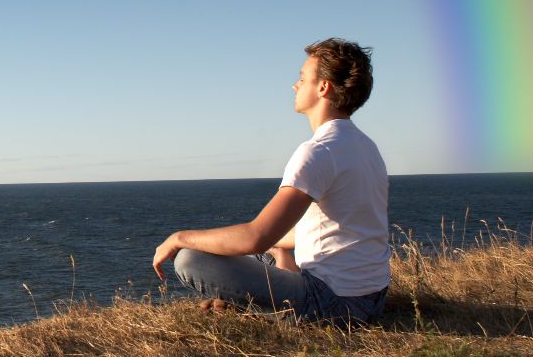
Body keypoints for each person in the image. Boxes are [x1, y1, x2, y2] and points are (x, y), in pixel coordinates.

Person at [151, 38, 390, 324]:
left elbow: (256, 236)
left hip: (331, 303)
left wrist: (180, 237)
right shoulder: (365, 146)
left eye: (302, 78)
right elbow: (325, 230)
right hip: (371, 297)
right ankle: (257, 292)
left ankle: (276, 308)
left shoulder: (318, 151)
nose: (295, 85)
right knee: (260, 254)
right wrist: (275, 249)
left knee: (191, 258)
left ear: (323, 87)